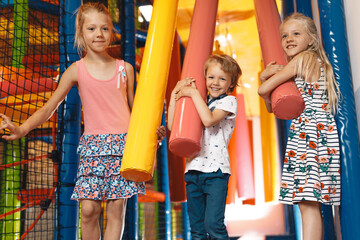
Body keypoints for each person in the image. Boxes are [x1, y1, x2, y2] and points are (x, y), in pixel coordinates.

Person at [0, 3, 165, 240]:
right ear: (81, 33)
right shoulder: (76, 70)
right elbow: (48, 108)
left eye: (104, 29)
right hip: (93, 147)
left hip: (124, 145)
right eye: (91, 29)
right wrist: (21, 128)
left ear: (111, 32)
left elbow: (137, 112)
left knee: (117, 208)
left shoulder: (124, 69)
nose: (99, 34)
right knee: (88, 210)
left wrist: (152, 135)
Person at [258, 13, 341, 240]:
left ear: (311, 39)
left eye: (296, 33)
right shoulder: (312, 62)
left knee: (307, 204)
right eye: (284, 35)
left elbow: (263, 91)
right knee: (309, 203)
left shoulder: (302, 60)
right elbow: (272, 108)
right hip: (319, 132)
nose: (289, 39)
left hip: (310, 133)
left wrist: (263, 77)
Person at [168, 54, 242, 240]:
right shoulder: (198, 102)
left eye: (222, 78)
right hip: (193, 171)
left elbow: (209, 120)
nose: (215, 83)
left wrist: (192, 93)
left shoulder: (228, 102)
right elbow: (172, 125)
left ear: (231, 84)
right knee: (197, 229)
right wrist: (174, 94)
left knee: (213, 224)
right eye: (211, 77)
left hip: (216, 173)